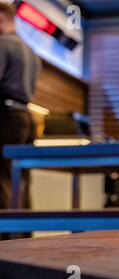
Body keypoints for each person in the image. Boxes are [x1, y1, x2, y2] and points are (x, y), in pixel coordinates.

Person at [0, 2, 41, 218]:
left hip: (6, 118)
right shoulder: (32, 52)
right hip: (26, 116)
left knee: (3, 178)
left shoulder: (3, 44)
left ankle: (4, 238)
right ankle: (24, 234)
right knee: (22, 177)